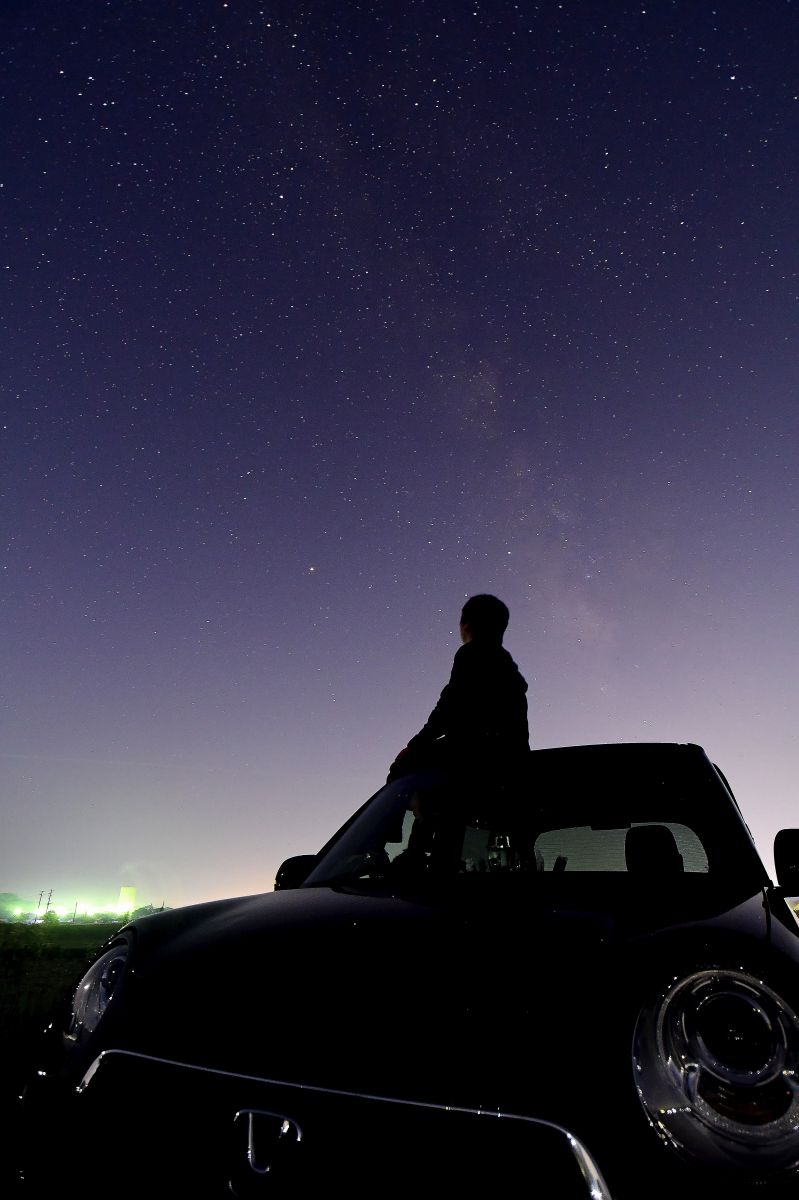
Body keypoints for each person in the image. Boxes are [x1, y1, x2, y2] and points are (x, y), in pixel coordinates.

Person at [388, 594, 529, 780]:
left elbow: (450, 705)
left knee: (403, 767)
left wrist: (415, 745)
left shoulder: (471, 653)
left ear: (466, 625)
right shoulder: (509, 671)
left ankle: (424, 809)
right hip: (510, 753)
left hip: (478, 749)